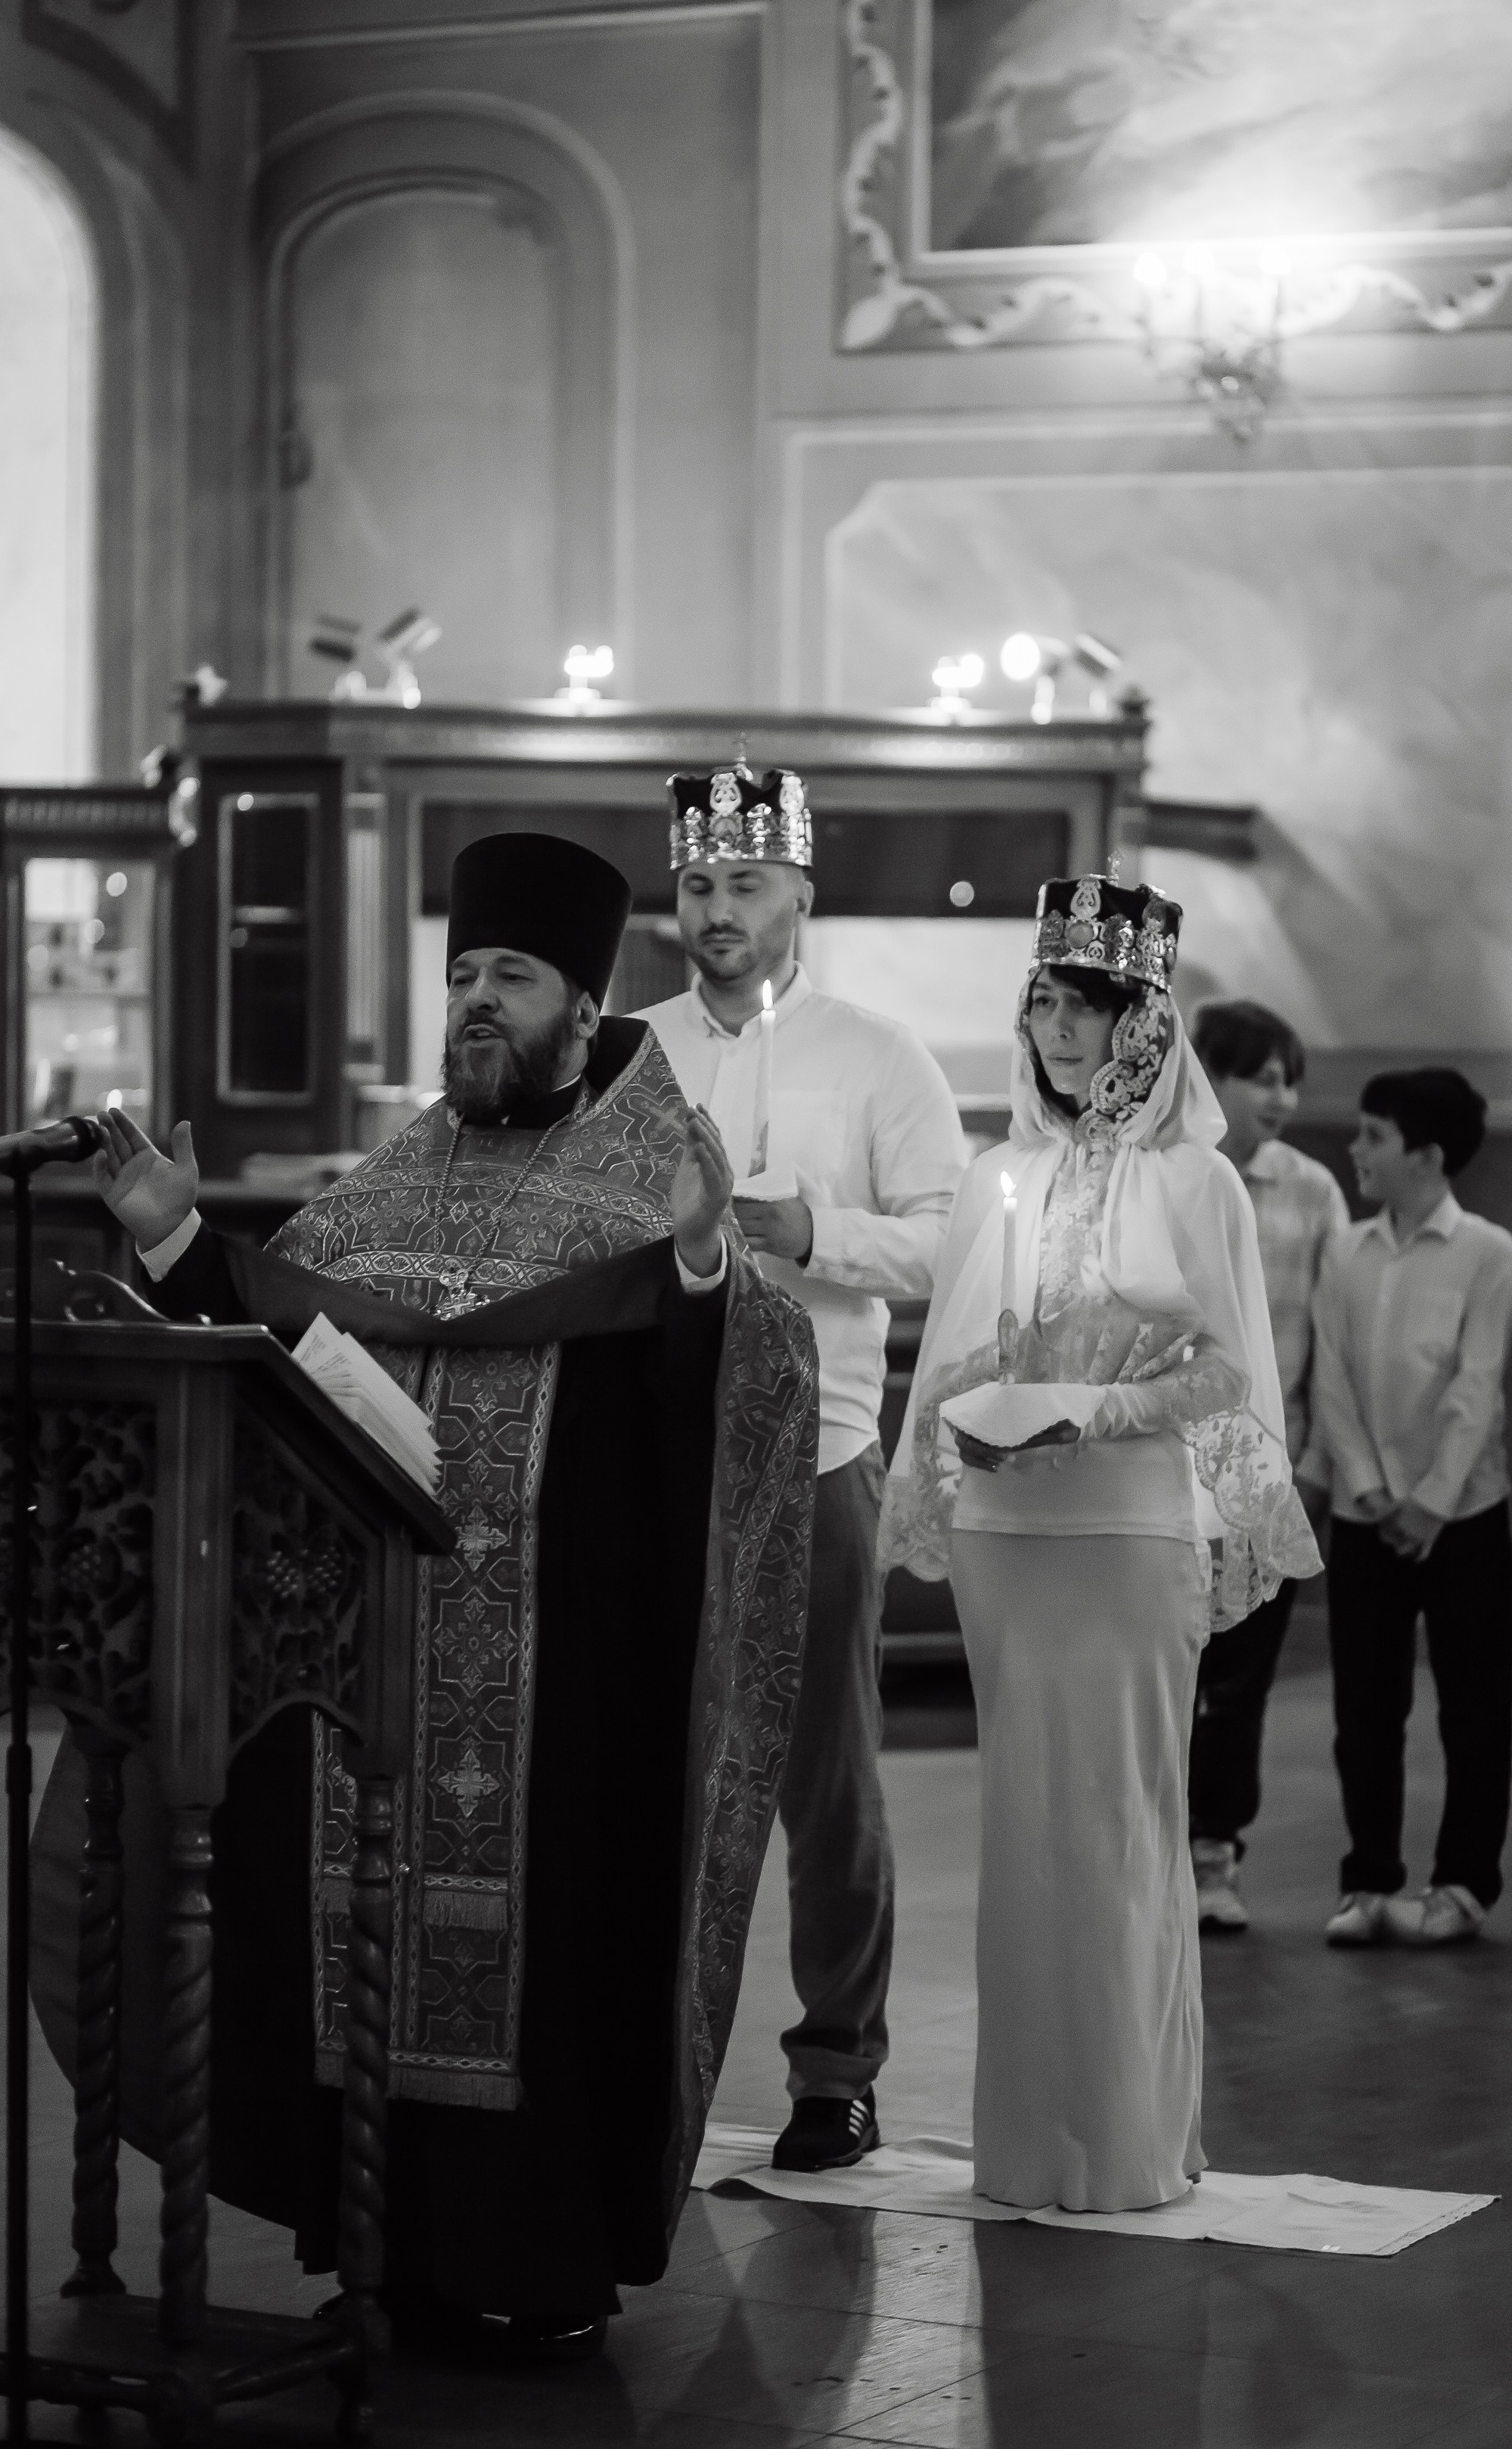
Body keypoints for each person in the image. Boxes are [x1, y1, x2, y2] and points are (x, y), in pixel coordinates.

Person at [32, 831, 820, 2364]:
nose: (476, 1002)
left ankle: (536, 2256)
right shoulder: (396, 1178)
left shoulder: (653, 1177)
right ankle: (384, 2246)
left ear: (584, 1009)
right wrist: (178, 1243)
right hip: (377, 1672)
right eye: (462, 974)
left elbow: (739, 1396)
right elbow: (282, 1332)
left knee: (556, 1961)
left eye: (509, 977)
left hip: (568, 1690)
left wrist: (705, 1268)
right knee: (358, 1939)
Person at [879, 874, 1320, 2214]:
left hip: (1127, 1528)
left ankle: (1125, 2142)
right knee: (1024, 1830)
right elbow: (950, 1355)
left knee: (1122, 1825)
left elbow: (1228, 1376)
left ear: (1139, 1022)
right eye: (1039, 1001)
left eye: (1079, 1004)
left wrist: (1094, 1403)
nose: (1052, 1028)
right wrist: (987, 1406)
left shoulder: (1195, 1183)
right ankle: (1028, 2146)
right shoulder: (996, 1175)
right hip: (1011, 1531)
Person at [639, 763, 964, 2174]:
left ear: (800, 895)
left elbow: (956, 1243)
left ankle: (836, 2065)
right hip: (649, 1444)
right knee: (645, 1761)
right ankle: (637, 2056)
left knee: (823, 1769)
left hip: (820, 1445)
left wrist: (803, 1227)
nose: (719, 908)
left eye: (746, 884)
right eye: (701, 884)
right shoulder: (626, 1050)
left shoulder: (878, 1056)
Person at [1311, 1068, 1512, 1950]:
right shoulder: (1344, 1248)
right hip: (1365, 1515)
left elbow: (1477, 1386)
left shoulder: (1486, 1248)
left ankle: (1463, 1883)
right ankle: (1368, 1879)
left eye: (1372, 1135)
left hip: (1463, 1514)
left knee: (1473, 1705)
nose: (1355, 1150)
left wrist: (1431, 1501)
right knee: (1364, 1708)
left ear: (1427, 1155)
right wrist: (1363, 1485)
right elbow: (1330, 1375)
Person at [1187, 999, 1349, 1932]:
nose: (1281, 1096)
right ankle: (1156, 1843)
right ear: (1209, 1074)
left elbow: (1331, 1340)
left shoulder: (1313, 1190)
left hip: (1267, 1469)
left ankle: (1218, 1854)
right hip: (1172, 1467)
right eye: (1262, 1076)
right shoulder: (1177, 1175)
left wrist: (1317, 1461)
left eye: (1291, 1078)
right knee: (1170, 1668)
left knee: (1241, 1678)